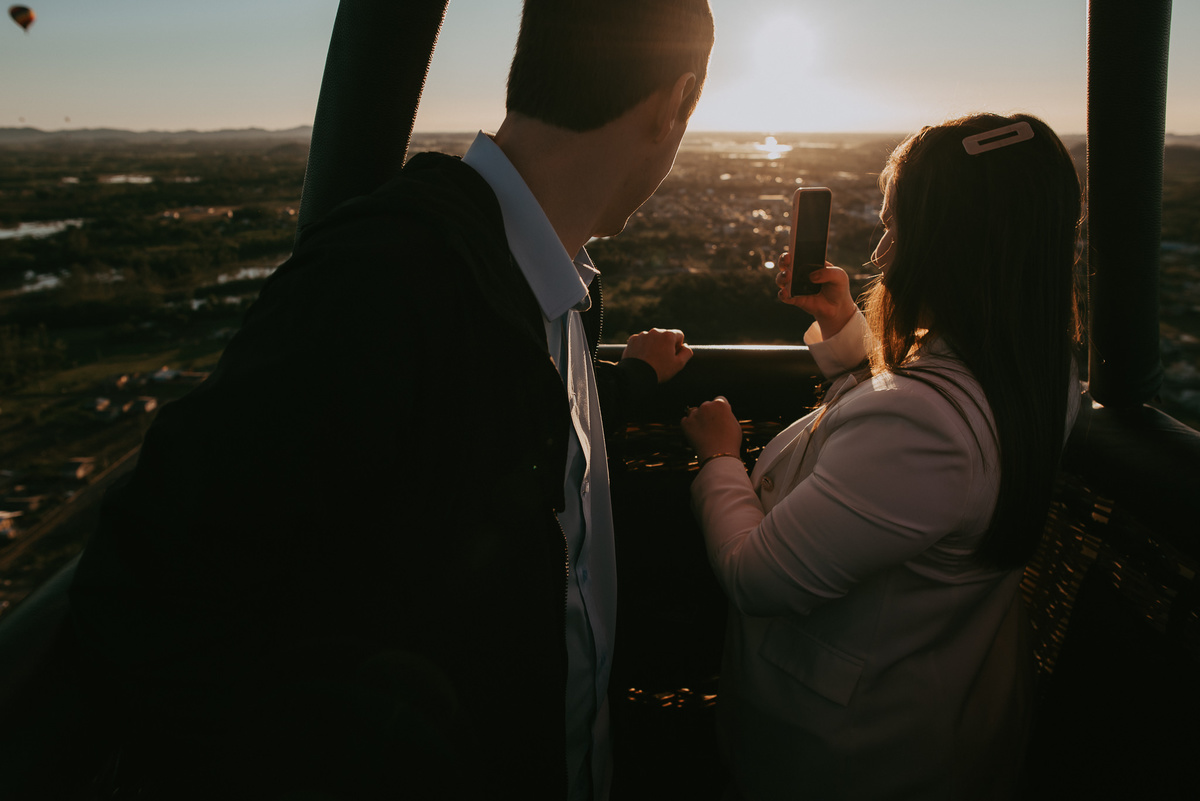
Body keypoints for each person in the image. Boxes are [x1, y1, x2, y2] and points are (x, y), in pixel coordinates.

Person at [69, 1, 714, 799]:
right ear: (676, 101)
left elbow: (512, 432)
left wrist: (632, 381)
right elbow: (146, 594)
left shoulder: (551, 285)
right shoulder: (378, 282)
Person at [680, 113, 1083, 800]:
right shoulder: (1040, 378)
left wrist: (720, 459)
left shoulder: (924, 429)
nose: (880, 253)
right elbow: (917, 423)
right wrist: (845, 331)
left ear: (950, 246)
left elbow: (755, 576)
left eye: (897, 227)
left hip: (848, 752)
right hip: (937, 724)